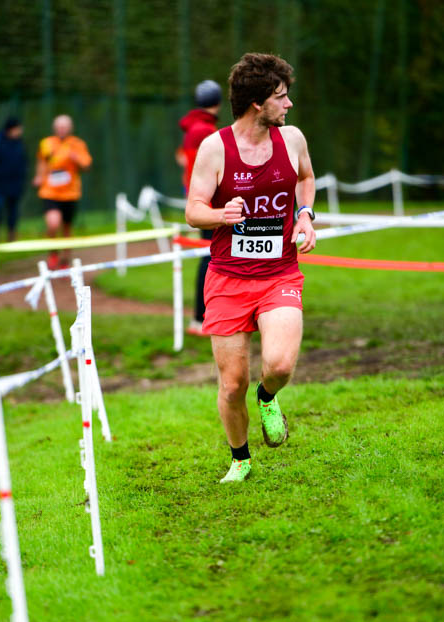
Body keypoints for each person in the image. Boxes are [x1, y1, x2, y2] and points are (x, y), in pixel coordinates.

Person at [185, 52, 316, 483]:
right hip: (227, 279)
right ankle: (240, 459)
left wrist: (304, 215)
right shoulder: (215, 147)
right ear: (258, 103)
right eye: (281, 96)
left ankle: (268, 396)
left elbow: (305, 178)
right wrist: (221, 215)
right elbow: (193, 210)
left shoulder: (292, 139)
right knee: (231, 384)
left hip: (279, 274)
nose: (289, 104)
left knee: (279, 366)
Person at [177, 80, 222, 336]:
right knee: (210, 256)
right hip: (209, 202)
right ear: (218, 102)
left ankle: (204, 317)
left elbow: (185, 162)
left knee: (211, 254)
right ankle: (200, 318)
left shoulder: (193, 127)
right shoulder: (204, 129)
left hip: (200, 199)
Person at [33, 115, 92, 269]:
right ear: (54, 128)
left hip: (70, 193)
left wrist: (76, 158)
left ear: (70, 128)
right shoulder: (46, 143)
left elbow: (87, 166)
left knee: (66, 229)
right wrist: (39, 176)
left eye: (64, 127)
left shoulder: (77, 144)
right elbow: (41, 161)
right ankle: (53, 252)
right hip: (50, 192)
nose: (62, 130)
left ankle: (65, 260)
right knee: (53, 223)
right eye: (59, 127)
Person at [0, 116, 28, 243]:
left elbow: (24, 161)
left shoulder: (19, 143)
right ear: (11, 129)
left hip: (15, 183)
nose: (20, 131)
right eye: (18, 128)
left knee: (13, 210)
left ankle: (11, 235)